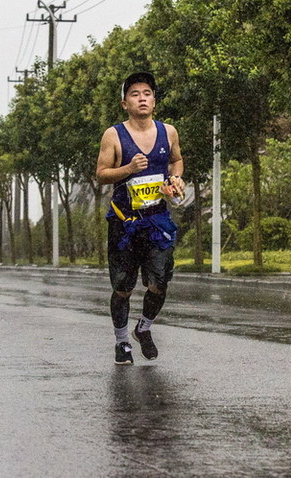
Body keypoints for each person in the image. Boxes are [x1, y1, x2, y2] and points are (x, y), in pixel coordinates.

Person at [96, 71, 185, 365]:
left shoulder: (168, 131)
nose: (142, 98)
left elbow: (176, 160)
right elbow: (101, 174)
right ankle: (122, 343)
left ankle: (143, 328)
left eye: (147, 93)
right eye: (135, 94)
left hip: (158, 220)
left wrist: (175, 178)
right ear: (125, 103)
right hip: (124, 223)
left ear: (154, 101)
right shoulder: (114, 135)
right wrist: (129, 168)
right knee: (123, 287)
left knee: (159, 284)